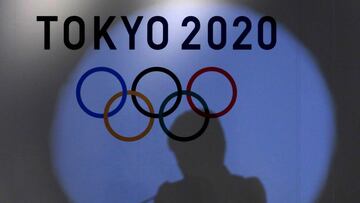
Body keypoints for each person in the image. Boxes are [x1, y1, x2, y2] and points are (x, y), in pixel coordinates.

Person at [155, 111, 266, 203]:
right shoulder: (248, 189)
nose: (180, 164)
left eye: (185, 154)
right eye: (179, 156)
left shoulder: (249, 190)